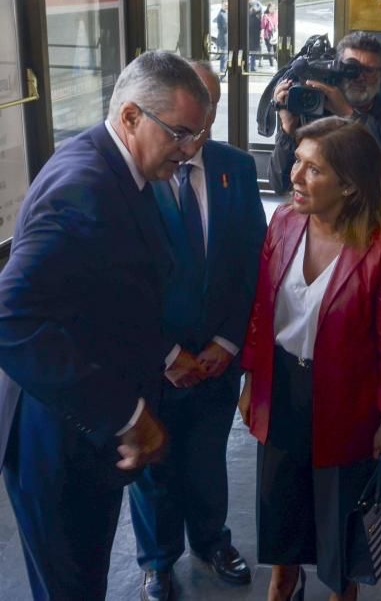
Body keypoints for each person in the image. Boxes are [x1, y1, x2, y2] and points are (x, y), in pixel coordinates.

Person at [0, 50, 211, 600]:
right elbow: (10, 317)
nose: (190, 149)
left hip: (90, 438)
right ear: (132, 117)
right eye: (181, 133)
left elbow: (117, 297)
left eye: (198, 134)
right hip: (58, 441)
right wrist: (125, 412)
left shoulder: (123, 169)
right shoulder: (84, 186)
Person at [239, 117, 381, 601]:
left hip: (346, 402)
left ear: (350, 185)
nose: (294, 175)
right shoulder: (284, 222)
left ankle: (341, 591)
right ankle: (283, 581)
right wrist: (250, 380)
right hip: (281, 388)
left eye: (313, 169)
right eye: (297, 160)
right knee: (280, 503)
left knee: (340, 518)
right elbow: (261, 308)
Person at [128, 62, 267, 601]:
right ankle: (157, 561)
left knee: (208, 458)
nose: (196, 131)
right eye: (186, 119)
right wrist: (168, 355)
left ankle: (212, 542)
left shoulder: (235, 166)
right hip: (154, 361)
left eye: (206, 112)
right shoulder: (138, 173)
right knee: (153, 469)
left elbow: (252, 261)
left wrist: (227, 343)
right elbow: (129, 283)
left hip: (215, 359)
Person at [268, 31, 381, 216]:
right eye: (350, 68)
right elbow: (279, 183)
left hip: (371, 226)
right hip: (318, 224)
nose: (359, 77)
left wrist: (349, 114)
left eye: (368, 70)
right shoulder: (312, 111)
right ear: (336, 67)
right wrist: (287, 129)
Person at [213, 0, 228, 75]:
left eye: (227, 5)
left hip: (224, 37)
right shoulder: (221, 15)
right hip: (223, 38)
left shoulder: (225, 13)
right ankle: (223, 73)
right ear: (222, 5)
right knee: (224, 56)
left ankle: (223, 73)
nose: (226, 6)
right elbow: (224, 27)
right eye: (225, 5)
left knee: (225, 56)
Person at [262, 3, 278, 68]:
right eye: (270, 8)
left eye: (273, 8)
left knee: (275, 50)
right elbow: (263, 26)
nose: (271, 9)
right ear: (268, 9)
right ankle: (272, 65)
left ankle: (277, 64)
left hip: (274, 34)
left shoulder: (276, 15)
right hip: (268, 35)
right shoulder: (266, 16)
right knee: (271, 50)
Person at [249, 1, 264, 70]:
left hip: (251, 37)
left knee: (251, 52)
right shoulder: (257, 19)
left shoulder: (249, 18)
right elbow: (260, 28)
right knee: (253, 52)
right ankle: (252, 66)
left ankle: (252, 65)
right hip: (254, 38)